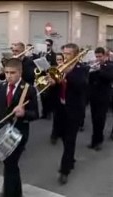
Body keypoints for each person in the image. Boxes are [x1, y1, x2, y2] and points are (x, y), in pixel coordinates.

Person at [0, 58, 39, 197]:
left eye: (12, 73)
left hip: (18, 132)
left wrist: (24, 113)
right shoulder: (1, 87)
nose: (9, 75)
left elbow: (36, 114)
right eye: (7, 72)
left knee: (10, 164)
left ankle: (9, 193)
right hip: (2, 131)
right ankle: (16, 192)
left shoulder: (28, 89)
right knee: (10, 165)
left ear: (20, 72)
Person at [48, 43, 89, 184]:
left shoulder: (82, 68)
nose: (65, 56)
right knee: (65, 139)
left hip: (74, 110)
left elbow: (81, 84)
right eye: (64, 53)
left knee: (70, 140)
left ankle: (65, 170)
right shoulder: (59, 68)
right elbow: (54, 90)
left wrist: (66, 74)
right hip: (61, 109)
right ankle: (70, 157)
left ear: (76, 55)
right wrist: (51, 83)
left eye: (68, 54)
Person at [87, 47, 113, 151]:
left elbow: (109, 77)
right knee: (94, 119)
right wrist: (90, 70)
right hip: (94, 96)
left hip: (104, 96)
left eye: (100, 56)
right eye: (96, 56)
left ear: (105, 56)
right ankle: (94, 141)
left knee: (100, 119)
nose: (98, 58)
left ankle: (99, 141)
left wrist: (99, 70)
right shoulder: (95, 66)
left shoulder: (110, 65)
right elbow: (89, 80)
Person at [39, 39, 57, 119]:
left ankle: (49, 112)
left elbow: (55, 65)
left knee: (49, 96)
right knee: (42, 96)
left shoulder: (54, 55)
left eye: (48, 45)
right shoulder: (40, 54)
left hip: (49, 76)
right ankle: (44, 112)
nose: (46, 46)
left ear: (51, 46)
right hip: (41, 76)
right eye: (45, 45)